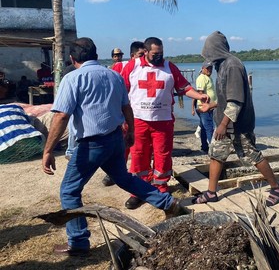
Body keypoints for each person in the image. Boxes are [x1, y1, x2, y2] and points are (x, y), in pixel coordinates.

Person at [41, 37, 182, 256]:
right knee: (125, 179)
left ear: (72, 58)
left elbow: (61, 116)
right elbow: (127, 107)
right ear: (96, 55)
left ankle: (78, 243)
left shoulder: (73, 78)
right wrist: (132, 132)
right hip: (115, 139)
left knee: (69, 192)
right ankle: (168, 203)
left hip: (91, 144)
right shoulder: (114, 75)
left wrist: (48, 150)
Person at [193, 31, 279, 206]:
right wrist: (212, 105)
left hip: (238, 125)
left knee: (253, 156)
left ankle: (276, 187)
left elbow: (236, 101)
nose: (208, 57)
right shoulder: (221, 66)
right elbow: (226, 98)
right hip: (224, 122)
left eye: (209, 52)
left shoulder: (232, 66)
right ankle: (211, 192)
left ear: (216, 49)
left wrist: (222, 125)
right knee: (216, 155)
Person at [121, 37, 209, 209]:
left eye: (161, 53)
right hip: (138, 120)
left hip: (163, 121)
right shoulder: (133, 66)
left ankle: (161, 188)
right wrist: (121, 118)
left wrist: (200, 96)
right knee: (138, 155)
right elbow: (121, 91)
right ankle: (138, 191)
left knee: (163, 155)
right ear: (145, 52)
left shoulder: (169, 68)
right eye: (155, 54)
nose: (159, 57)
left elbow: (184, 87)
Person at [101, 40, 146, 187]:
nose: (143, 57)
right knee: (123, 145)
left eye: (145, 54)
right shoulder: (121, 67)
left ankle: (137, 175)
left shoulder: (149, 69)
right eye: (140, 54)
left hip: (141, 115)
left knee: (139, 147)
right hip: (125, 113)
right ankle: (115, 172)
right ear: (133, 55)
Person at [191, 61, 217, 154]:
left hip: (210, 107)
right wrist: (205, 105)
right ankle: (212, 149)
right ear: (203, 68)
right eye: (207, 68)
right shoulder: (201, 78)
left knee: (203, 127)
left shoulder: (208, 78)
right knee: (209, 127)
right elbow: (200, 93)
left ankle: (204, 147)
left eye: (211, 68)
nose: (209, 70)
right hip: (204, 107)